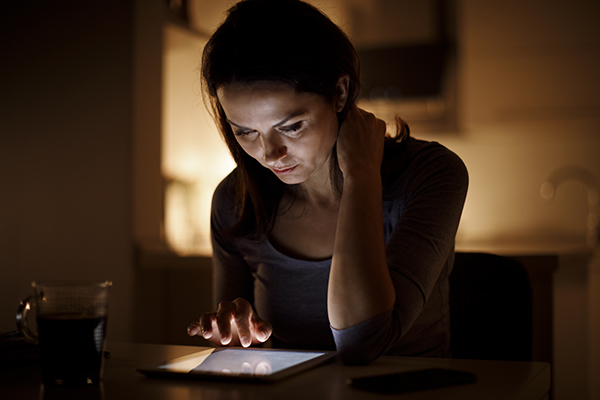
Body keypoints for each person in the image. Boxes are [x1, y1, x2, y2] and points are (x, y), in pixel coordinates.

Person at [187, 0, 468, 365]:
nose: (270, 154)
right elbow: (237, 355)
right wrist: (237, 333)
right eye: (245, 132)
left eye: (291, 126)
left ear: (339, 93)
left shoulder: (431, 174)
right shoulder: (234, 199)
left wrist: (361, 175)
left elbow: (362, 343)